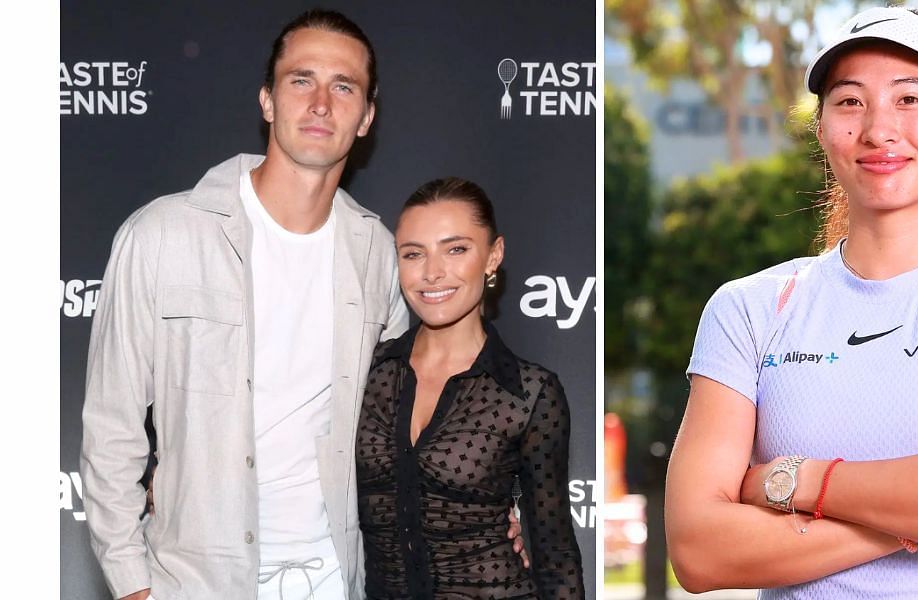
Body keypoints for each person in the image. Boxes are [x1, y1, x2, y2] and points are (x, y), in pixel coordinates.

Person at [79, 10, 521, 600]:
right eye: (300, 80)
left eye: (344, 86)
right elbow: (111, 429)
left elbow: (404, 426)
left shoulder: (378, 255)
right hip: (195, 583)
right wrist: (133, 585)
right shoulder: (163, 235)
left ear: (365, 118)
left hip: (341, 577)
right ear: (267, 100)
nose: (321, 103)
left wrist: (484, 507)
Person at [665, 6, 918, 599]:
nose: (878, 130)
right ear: (821, 127)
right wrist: (916, 514)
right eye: (850, 102)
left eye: (909, 99)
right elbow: (699, 552)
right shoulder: (749, 309)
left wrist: (794, 480)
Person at [356, 178, 585, 599]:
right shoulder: (366, 370)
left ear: (493, 255)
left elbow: (556, 558)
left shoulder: (529, 392)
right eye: (413, 254)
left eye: (456, 249)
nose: (432, 272)